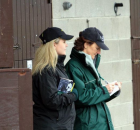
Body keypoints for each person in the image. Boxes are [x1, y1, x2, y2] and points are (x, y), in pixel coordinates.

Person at [65, 27, 122, 130]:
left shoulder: (90, 64)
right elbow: (81, 97)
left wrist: (112, 91)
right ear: (86, 44)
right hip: (88, 125)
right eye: (97, 48)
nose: (99, 52)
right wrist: (104, 90)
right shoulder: (73, 67)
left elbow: (96, 96)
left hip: (100, 123)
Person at [32, 27, 78, 130]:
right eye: (64, 41)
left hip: (59, 125)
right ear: (54, 44)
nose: (66, 45)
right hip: (51, 126)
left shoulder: (57, 67)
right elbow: (52, 100)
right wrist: (73, 95)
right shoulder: (46, 70)